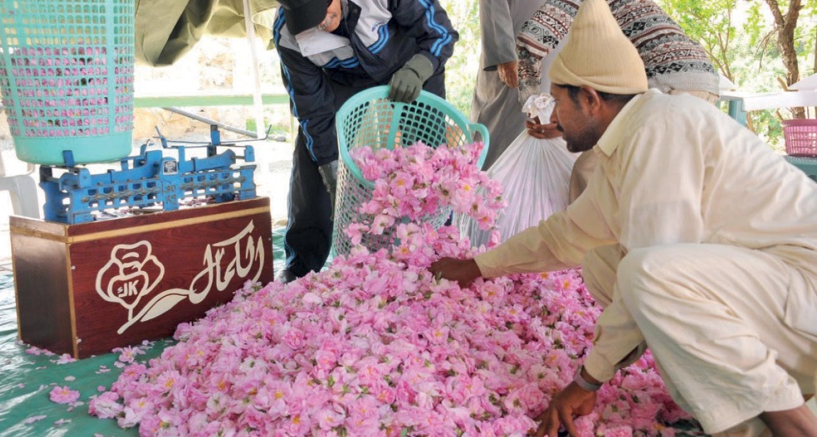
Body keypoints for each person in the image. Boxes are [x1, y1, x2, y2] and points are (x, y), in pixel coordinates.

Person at [429, 0, 817, 435]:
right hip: (773, 296)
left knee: (644, 271)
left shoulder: (660, 128)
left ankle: (795, 425)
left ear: (591, 99)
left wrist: (587, 379)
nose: (553, 118)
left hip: (805, 292)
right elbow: (566, 235)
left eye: (559, 103)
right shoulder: (627, 139)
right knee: (603, 262)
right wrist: (477, 267)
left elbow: (656, 264)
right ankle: (748, 417)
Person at [273, 0, 457, 283]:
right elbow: (311, 108)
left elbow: (440, 32)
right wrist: (330, 168)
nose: (320, 23)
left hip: (408, 67)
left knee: (427, 161)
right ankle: (300, 265)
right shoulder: (287, 34)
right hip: (341, 78)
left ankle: (438, 251)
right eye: (306, 19)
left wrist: (420, 68)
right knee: (312, 159)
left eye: (322, 13)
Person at [515, 0, 721, 203]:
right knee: (659, 178)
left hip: (667, 84)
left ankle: (587, 234)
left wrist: (532, 102)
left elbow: (531, 40)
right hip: (705, 81)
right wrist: (563, 123)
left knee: (589, 169)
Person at [471, 0, 547, 170]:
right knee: (502, 130)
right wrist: (503, 53)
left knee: (545, 124)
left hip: (562, 46)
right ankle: (482, 192)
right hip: (516, 47)